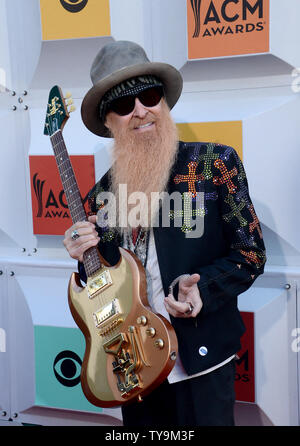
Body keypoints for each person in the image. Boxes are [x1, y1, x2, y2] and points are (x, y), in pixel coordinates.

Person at [63, 40, 266, 426]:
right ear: (109, 121)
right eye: (124, 105)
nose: (141, 111)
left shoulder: (214, 164)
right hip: (134, 367)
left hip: (202, 364)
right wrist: (82, 260)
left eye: (150, 96)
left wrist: (203, 289)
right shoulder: (101, 195)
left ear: (164, 103)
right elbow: (104, 286)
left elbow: (251, 253)